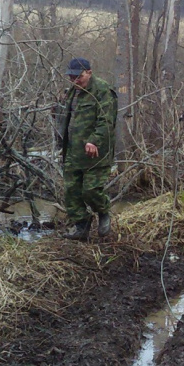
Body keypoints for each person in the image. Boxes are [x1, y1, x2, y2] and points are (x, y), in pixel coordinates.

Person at [58, 57, 117, 240]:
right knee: (71, 192)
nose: (75, 81)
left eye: (79, 77)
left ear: (89, 73)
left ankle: (104, 212)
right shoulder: (72, 92)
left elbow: (106, 121)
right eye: (71, 77)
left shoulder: (102, 90)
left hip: (95, 153)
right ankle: (81, 227)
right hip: (72, 152)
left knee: (90, 190)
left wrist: (94, 141)